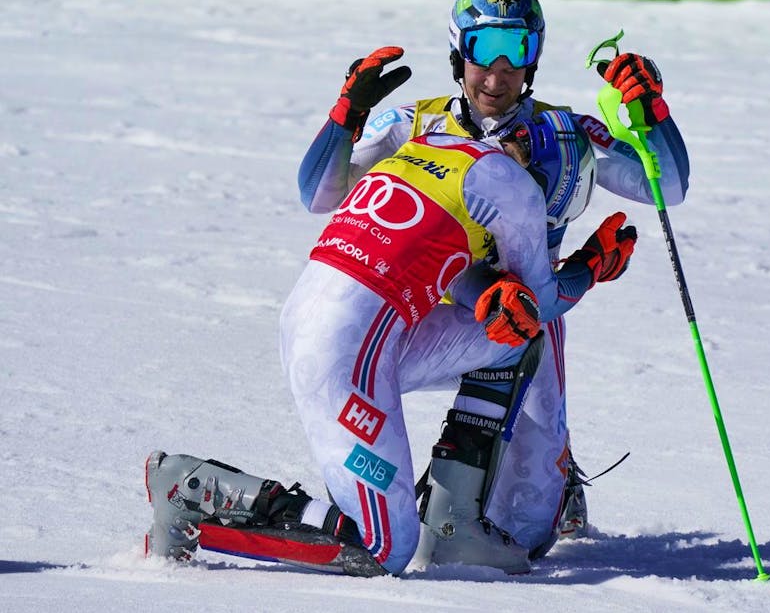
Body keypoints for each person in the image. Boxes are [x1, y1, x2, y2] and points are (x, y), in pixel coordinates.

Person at [295, 0, 690, 560]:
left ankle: (531, 481)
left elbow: (669, 187)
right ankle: (405, 496)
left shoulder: (566, 133)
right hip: (419, 314)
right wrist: (345, 115)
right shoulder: (414, 122)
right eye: (483, 51)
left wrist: (651, 112)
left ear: (534, 58)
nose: (497, 74)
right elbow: (317, 194)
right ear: (459, 53)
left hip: (532, 310)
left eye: (516, 53)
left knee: (529, 535)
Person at [145, 111, 639, 576]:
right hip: (349, 355)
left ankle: (453, 523)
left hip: (321, 324)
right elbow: (541, 304)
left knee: (509, 345)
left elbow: (430, 259)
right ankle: (193, 491)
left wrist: (489, 290)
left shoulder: (436, 145)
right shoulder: (518, 189)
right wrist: (591, 265)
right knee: (384, 549)